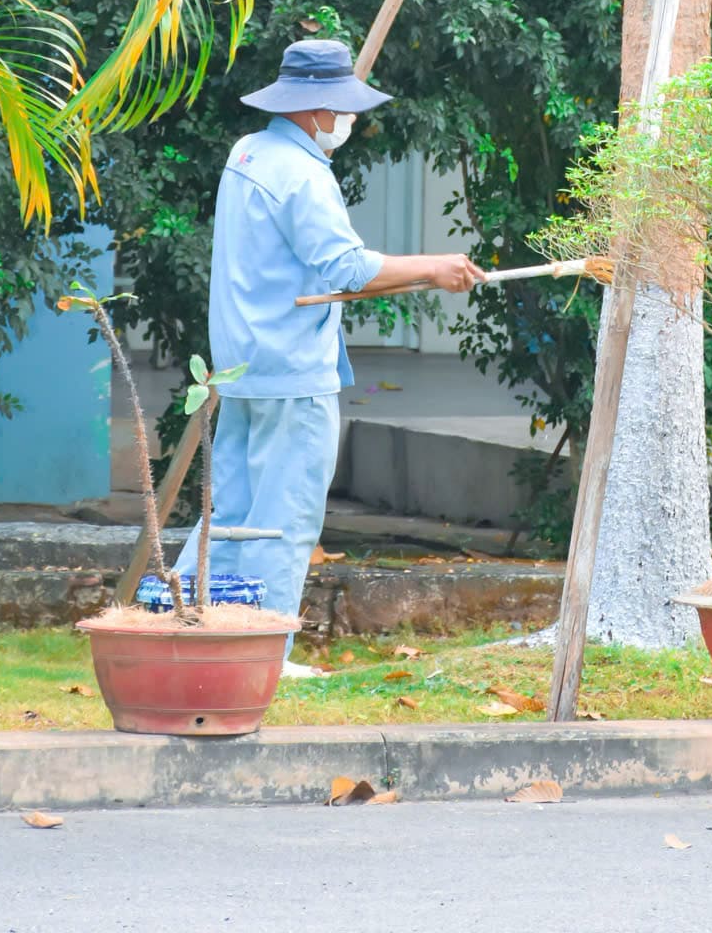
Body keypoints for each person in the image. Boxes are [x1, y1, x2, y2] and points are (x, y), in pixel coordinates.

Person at [172, 39, 482, 672]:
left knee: (228, 517)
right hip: (292, 374)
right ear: (317, 111)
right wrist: (435, 266)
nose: (350, 120)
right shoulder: (304, 174)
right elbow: (346, 267)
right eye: (343, 109)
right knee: (281, 523)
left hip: (240, 368)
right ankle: (263, 657)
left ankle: (182, 634)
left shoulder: (248, 152)